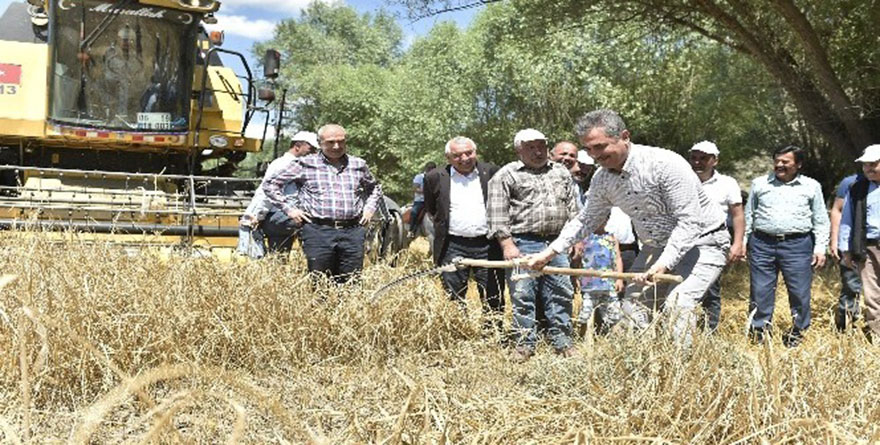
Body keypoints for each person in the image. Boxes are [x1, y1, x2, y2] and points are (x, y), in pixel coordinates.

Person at [528, 109, 729, 348]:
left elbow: (690, 222)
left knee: (678, 305)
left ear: (624, 136)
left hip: (703, 242)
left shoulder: (665, 164)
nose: (595, 156)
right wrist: (549, 253)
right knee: (633, 307)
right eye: (589, 149)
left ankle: (681, 372)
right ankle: (646, 367)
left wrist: (663, 264)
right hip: (656, 246)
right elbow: (586, 220)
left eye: (600, 147)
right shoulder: (603, 179)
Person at [487, 128, 579, 360]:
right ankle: (524, 344)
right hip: (523, 242)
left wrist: (576, 240)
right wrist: (507, 245)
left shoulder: (561, 172)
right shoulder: (506, 174)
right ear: (519, 150)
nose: (538, 152)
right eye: (531, 147)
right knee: (522, 294)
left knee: (561, 292)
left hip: (558, 243)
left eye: (542, 146)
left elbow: (573, 208)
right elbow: (497, 213)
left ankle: (562, 341)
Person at [262, 124, 383, 284]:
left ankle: (347, 309)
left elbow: (375, 188)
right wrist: (290, 210)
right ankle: (322, 309)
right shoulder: (305, 164)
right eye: (331, 142)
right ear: (320, 144)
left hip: (352, 231)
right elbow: (270, 185)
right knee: (320, 282)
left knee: (351, 282)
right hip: (318, 231)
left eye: (341, 142)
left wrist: (369, 210)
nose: (337, 146)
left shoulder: (358, 165)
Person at [744, 145, 829, 347]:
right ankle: (759, 335)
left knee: (799, 292)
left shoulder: (811, 186)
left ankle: (797, 334)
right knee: (760, 291)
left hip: (798, 245)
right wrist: (743, 242)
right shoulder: (759, 184)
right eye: (777, 161)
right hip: (762, 243)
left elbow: (820, 219)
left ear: (798, 164)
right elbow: (749, 215)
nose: (779, 165)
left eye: (785, 161)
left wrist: (820, 247)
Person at [423, 137, 505, 324]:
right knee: (453, 295)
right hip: (452, 245)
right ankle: (458, 332)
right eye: (457, 155)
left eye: (469, 153)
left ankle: (493, 334)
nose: (465, 158)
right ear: (448, 157)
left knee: (493, 294)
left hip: (488, 244)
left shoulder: (491, 172)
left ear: (476, 152)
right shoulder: (435, 177)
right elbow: (432, 209)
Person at [688, 141, 745, 332]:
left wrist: (738, 243)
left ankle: (708, 334)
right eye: (694, 157)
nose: (697, 162)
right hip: (685, 240)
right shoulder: (682, 179)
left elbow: (737, 215)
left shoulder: (728, 183)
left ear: (715, 160)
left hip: (712, 242)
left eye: (703, 158)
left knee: (710, 290)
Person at [238, 131, 319, 258]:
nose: (314, 153)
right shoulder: (283, 164)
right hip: (284, 216)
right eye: (311, 149)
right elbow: (266, 192)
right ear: (297, 146)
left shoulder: (300, 165)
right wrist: (254, 215)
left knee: (279, 256)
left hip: (280, 218)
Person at [839, 144, 880, 342]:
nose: (869, 169)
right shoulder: (857, 189)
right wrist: (846, 250)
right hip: (868, 247)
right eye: (865, 165)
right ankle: (877, 337)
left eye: (874, 164)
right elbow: (847, 220)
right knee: (872, 295)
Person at [577, 216, 625, 335]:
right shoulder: (584, 238)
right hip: (588, 284)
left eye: (603, 218)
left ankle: (617, 342)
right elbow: (578, 259)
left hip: (608, 284)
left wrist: (619, 278)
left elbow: (618, 258)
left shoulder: (611, 238)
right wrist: (575, 277)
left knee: (614, 315)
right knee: (585, 314)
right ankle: (584, 340)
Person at [830, 172, 863, 332]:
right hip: (855, 243)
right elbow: (838, 210)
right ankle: (846, 329)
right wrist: (835, 240)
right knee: (852, 286)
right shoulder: (851, 182)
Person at [409, 162, 437, 237]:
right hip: (420, 201)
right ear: (426, 169)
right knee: (414, 212)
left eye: (433, 169)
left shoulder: (436, 178)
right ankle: (411, 230)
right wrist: (426, 192)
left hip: (433, 201)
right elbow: (415, 188)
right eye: (429, 169)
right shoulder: (419, 177)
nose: (431, 171)